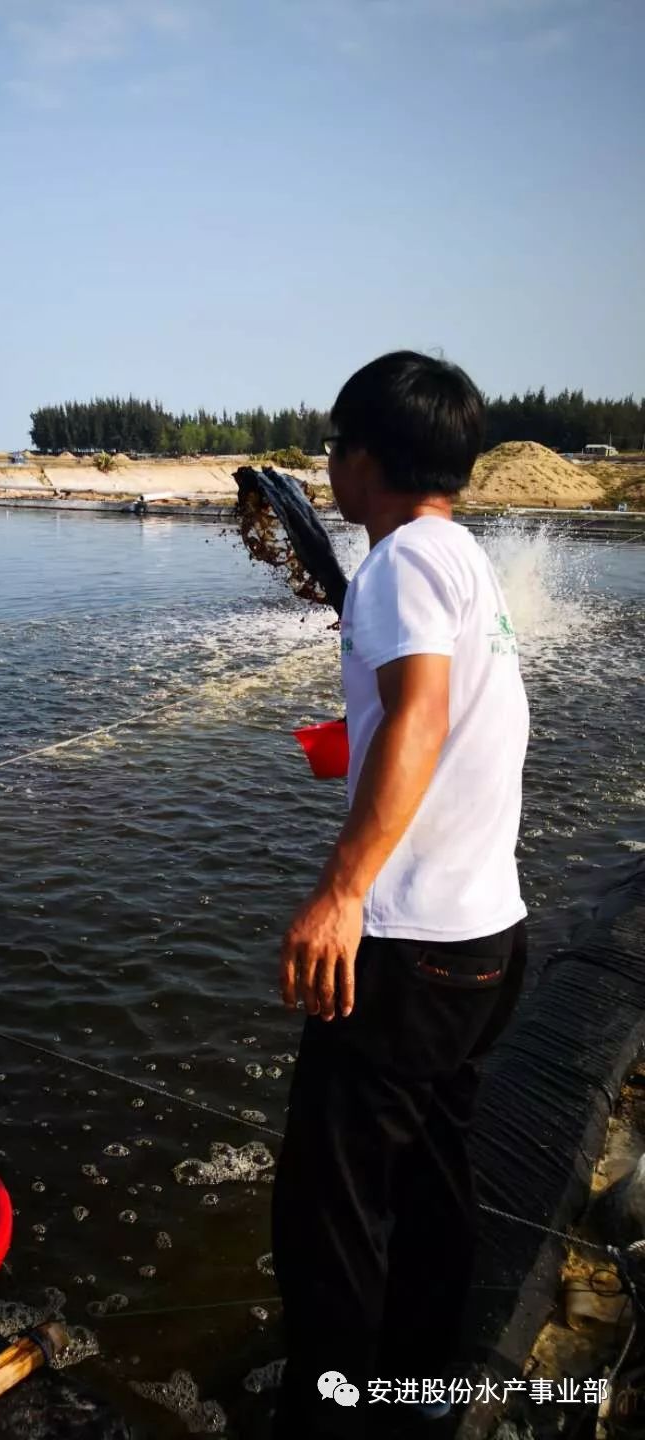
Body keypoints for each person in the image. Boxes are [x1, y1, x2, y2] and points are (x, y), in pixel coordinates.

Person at [271, 352, 530, 1438]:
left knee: (326, 1212)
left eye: (334, 446)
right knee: (430, 1181)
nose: (328, 465)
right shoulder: (464, 557)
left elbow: (421, 721)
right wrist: (361, 743)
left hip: (410, 946)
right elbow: (459, 722)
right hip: (490, 938)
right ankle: (420, 1395)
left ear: (366, 457)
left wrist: (339, 892)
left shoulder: (397, 565)